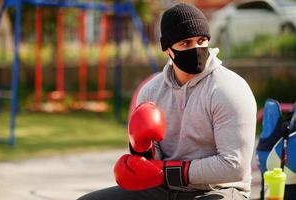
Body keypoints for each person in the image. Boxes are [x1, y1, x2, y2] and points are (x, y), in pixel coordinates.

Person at [78, 3, 257, 200]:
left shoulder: (229, 89)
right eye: (185, 43)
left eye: (201, 41)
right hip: (163, 189)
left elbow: (234, 166)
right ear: (168, 49)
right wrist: (140, 151)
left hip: (218, 191)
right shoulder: (151, 91)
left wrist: (165, 170)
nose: (196, 49)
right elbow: (151, 163)